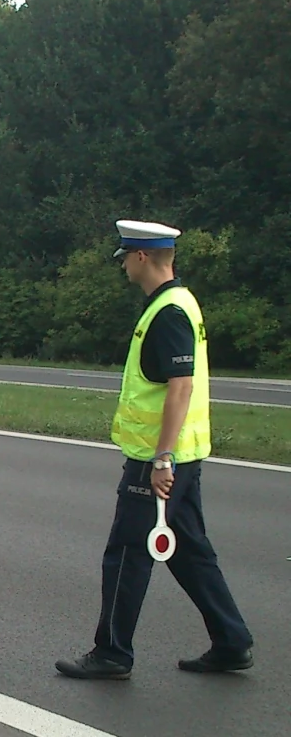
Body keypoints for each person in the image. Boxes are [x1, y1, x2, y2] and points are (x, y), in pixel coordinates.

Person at [56, 220, 253, 680]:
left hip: (160, 460)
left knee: (127, 552)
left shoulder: (167, 312)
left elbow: (180, 388)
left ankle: (111, 654)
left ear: (141, 257)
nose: (123, 264)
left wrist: (161, 457)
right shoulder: (178, 302)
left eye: (125, 256)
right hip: (181, 454)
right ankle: (232, 641)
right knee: (188, 550)